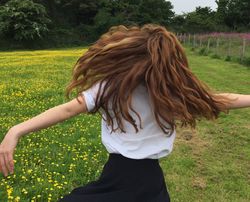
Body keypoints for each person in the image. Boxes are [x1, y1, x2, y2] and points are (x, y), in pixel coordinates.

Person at [0, 24, 249, 202]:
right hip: (150, 181)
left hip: (122, 176)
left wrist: (16, 130)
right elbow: (218, 100)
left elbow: (67, 109)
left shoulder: (111, 88)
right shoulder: (167, 92)